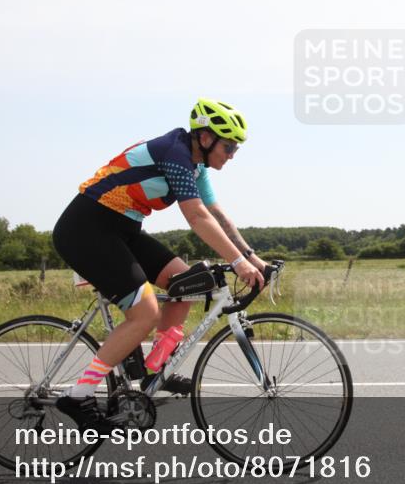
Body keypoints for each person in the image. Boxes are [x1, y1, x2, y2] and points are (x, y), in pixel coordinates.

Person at [52, 98, 266, 431]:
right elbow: (196, 216)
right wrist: (237, 262)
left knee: (188, 282)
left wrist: (252, 258)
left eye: (236, 148)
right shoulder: (174, 152)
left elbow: (216, 214)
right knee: (145, 314)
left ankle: (155, 371)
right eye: (228, 146)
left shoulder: (196, 166)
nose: (232, 155)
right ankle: (78, 396)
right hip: (87, 227)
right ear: (205, 138)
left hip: (123, 229)